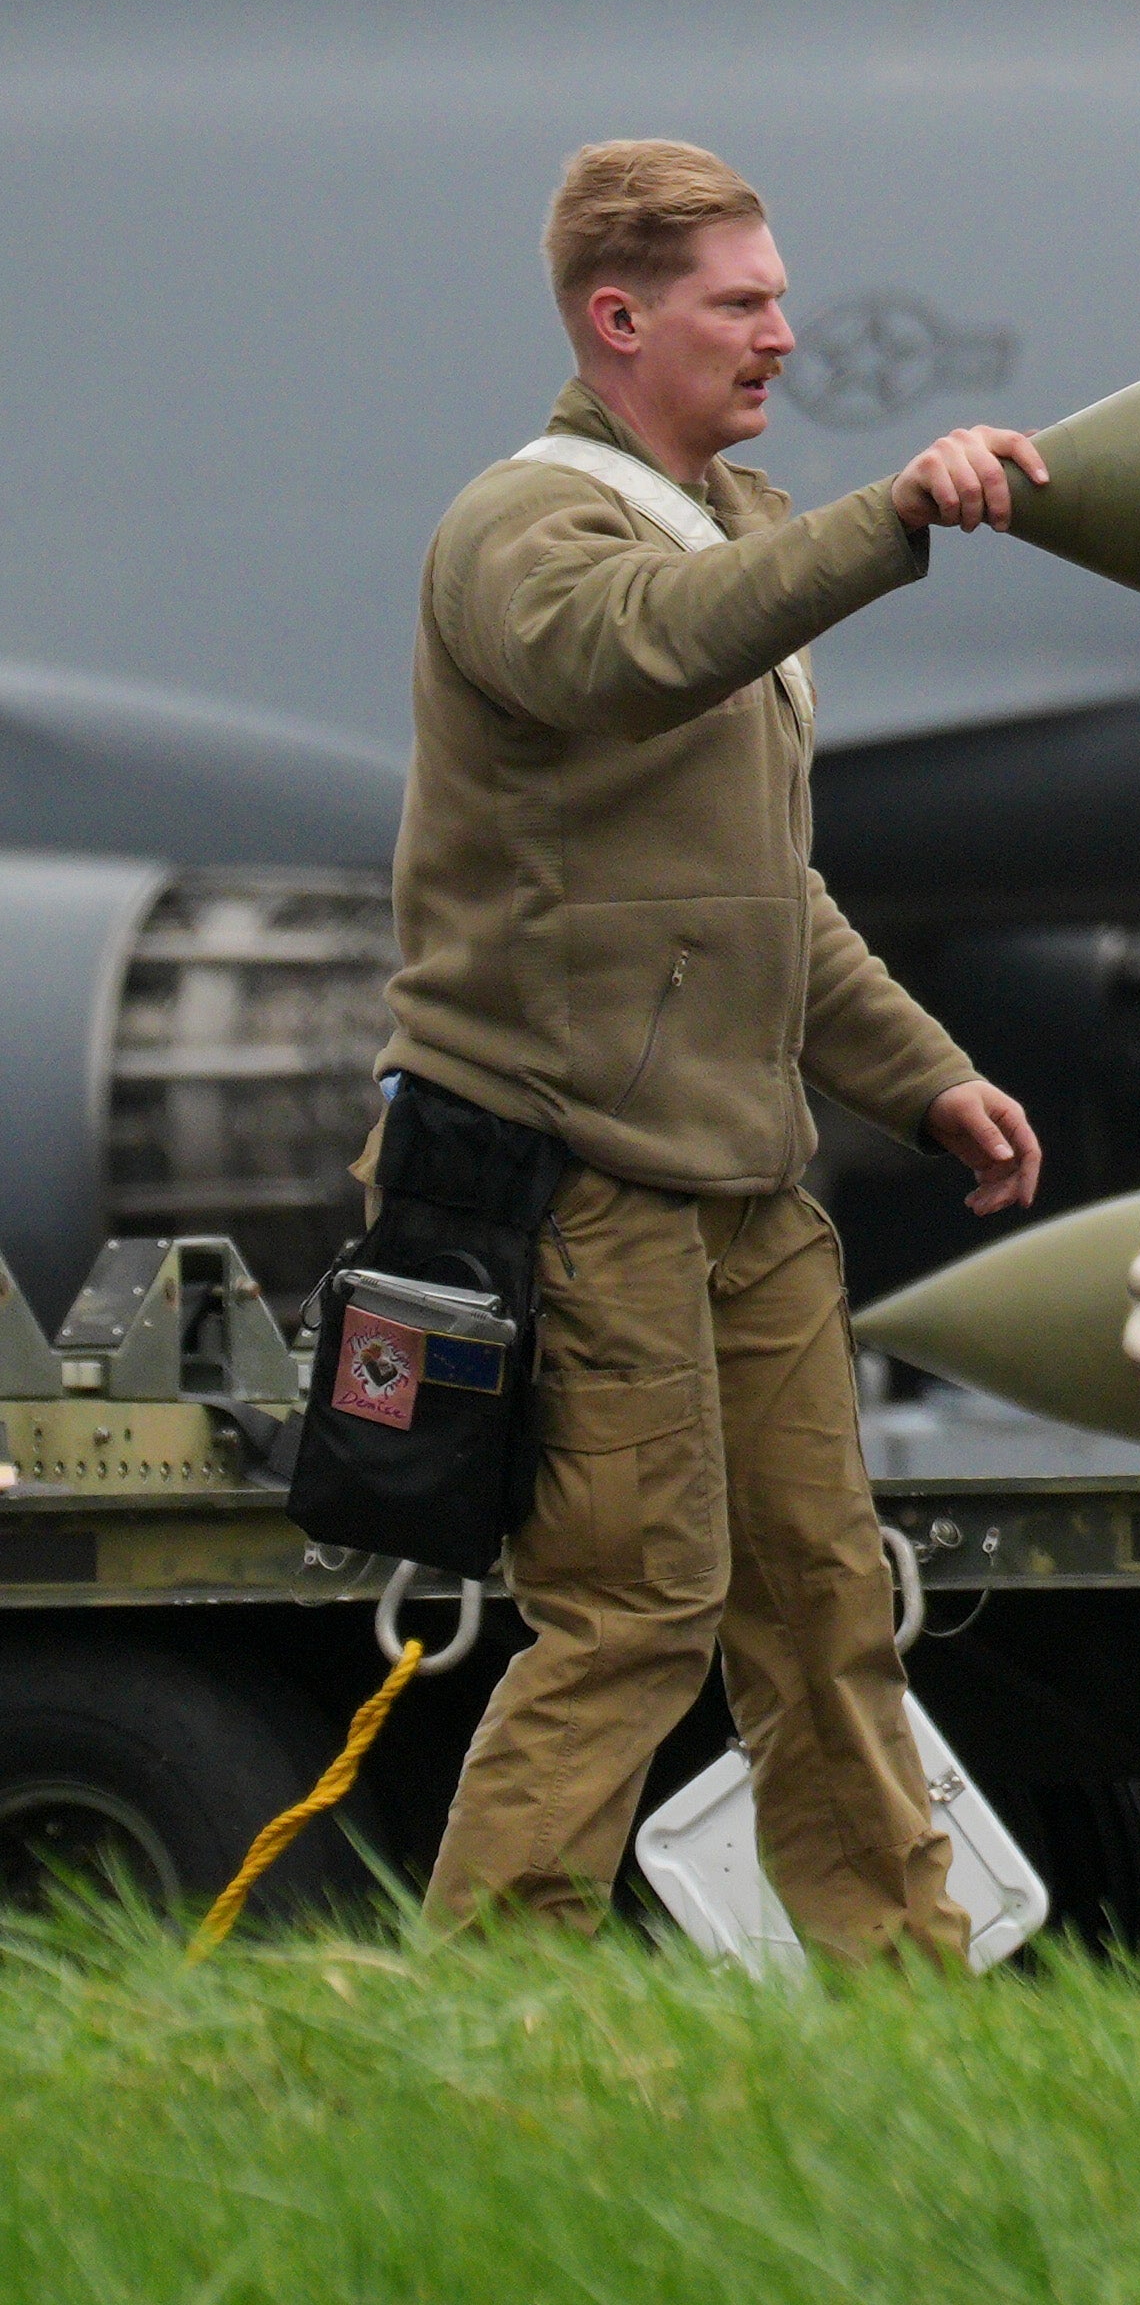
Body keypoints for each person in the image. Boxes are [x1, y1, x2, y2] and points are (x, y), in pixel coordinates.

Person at [374, 137, 1050, 1956]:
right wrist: (895, 519)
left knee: (828, 1598)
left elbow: (765, 889)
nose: (782, 335)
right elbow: (635, 654)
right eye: (739, 304)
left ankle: (899, 1992)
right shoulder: (526, 533)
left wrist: (921, 1074)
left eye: (776, 297)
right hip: (574, 1173)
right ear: (618, 321)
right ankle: (497, 2019)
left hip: (743, 1177)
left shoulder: (739, 525)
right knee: (632, 1611)